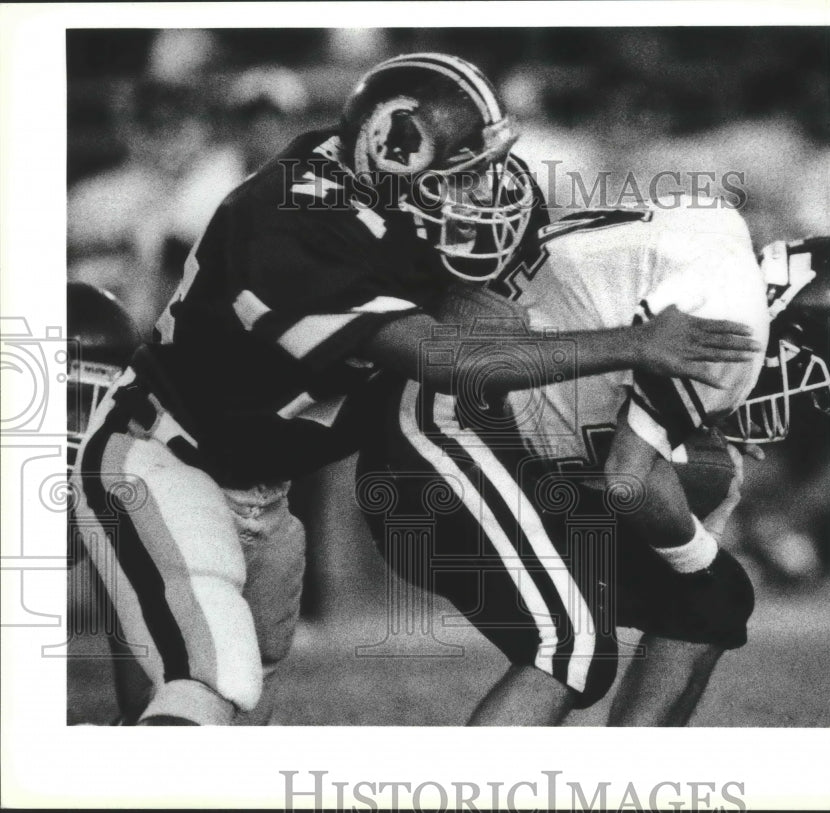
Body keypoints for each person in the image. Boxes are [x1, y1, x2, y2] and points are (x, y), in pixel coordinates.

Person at [69, 53, 761, 726]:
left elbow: (503, 313)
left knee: (233, 712)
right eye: (465, 176)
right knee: (210, 678)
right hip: (163, 459)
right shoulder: (289, 224)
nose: (487, 190)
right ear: (393, 159)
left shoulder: (388, 190)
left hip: (262, 490)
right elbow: (446, 359)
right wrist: (633, 344)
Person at [358, 203, 830, 725]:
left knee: (716, 602)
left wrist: (703, 552)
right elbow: (628, 481)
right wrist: (698, 556)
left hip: (506, 436)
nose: (789, 407)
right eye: (805, 381)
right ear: (789, 331)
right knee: (573, 648)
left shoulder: (719, 241)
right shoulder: (736, 319)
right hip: (447, 421)